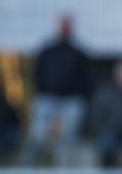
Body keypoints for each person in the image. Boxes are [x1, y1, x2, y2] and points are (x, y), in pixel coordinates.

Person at [23, 15, 92, 165]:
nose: (64, 29)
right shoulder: (47, 51)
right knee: (37, 132)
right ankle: (29, 165)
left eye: (67, 26)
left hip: (71, 100)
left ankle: (63, 166)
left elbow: (86, 79)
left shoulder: (78, 53)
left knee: (69, 132)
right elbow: (36, 74)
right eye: (62, 26)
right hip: (47, 98)